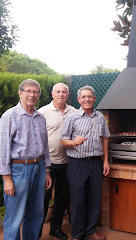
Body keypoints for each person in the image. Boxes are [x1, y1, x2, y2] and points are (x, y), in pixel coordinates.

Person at [0, 79, 52, 240]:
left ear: (39, 95)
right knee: (14, 216)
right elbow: (1, 149)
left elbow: (45, 146)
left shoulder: (40, 117)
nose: (32, 95)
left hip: (39, 168)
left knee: (36, 213)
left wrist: (46, 171)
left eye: (35, 92)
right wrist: (6, 179)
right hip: (18, 170)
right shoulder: (10, 116)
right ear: (20, 93)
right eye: (28, 91)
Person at [61, 86, 110, 240]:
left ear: (94, 99)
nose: (87, 99)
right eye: (84, 97)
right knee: (77, 199)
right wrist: (74, 142)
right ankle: (77, 234)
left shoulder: (100, 117)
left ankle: (90, 231)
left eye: (90, 97)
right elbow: (63, 140)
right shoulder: (72, 117)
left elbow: (105, 138)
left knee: (94, 198)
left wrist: (106, 161)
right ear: (78, 100)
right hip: (77, 164)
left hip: (95, 163)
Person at [38, 83, 76, 239]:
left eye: (64, 92)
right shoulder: (42, 112)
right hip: (47, 164)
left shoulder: (73, 112)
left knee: (62, 197)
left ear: (67, 95)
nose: (61, 94)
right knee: (43, 199)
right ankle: (37, 231)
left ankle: (55, 227)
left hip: (67, 162)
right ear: (52, 94)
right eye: (58, 92)